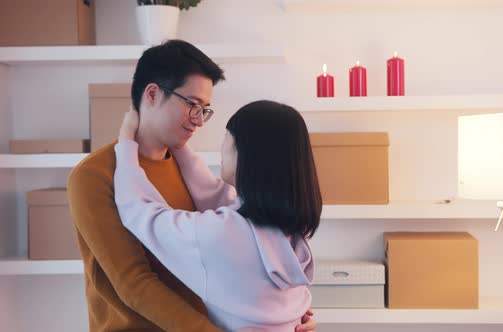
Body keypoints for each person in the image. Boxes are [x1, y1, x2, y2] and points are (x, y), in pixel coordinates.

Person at [67, 40, 316, 332]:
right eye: (192, 105)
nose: (199, 121)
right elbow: (133, 282)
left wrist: (288, 314)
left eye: (205, 109)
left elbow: (256, 247)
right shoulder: (94, 175)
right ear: (152, 94)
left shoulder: (190, 171)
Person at [113, 100, 322, 331]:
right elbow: (215, 193)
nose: (221, 148)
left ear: (246, 152)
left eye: (226, 138)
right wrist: (179, 143)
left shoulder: (221, 233)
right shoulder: (293, 230)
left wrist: (126, 140)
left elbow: (139, 211)